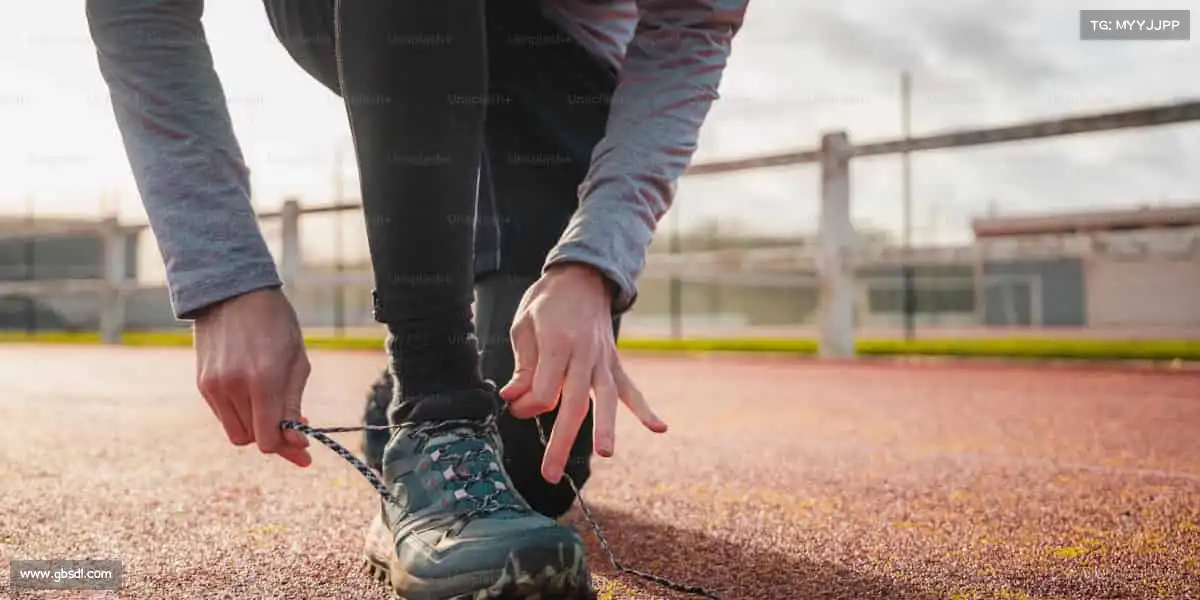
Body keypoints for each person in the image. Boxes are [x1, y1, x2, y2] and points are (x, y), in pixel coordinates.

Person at [86, 1, 747, 598]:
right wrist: (224, 279)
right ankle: (435, 402)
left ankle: (421, 389)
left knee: (531, 472)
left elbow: (690, 29)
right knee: (473, 455)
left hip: (557, 69)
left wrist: (593, 261)